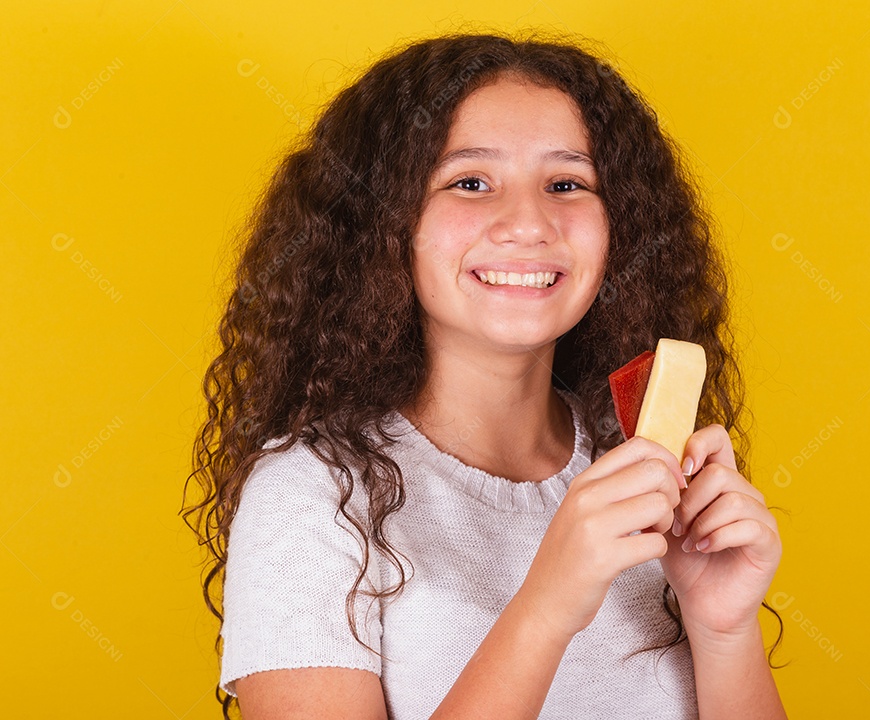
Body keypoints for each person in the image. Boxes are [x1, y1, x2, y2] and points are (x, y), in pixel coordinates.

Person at [183, 30, 786, 720]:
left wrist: (721, 626)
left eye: (567, 183)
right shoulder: (315, 492)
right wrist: (546, 607)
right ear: (385, 222)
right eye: (470, 182)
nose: (529, 222)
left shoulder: (645, 474)